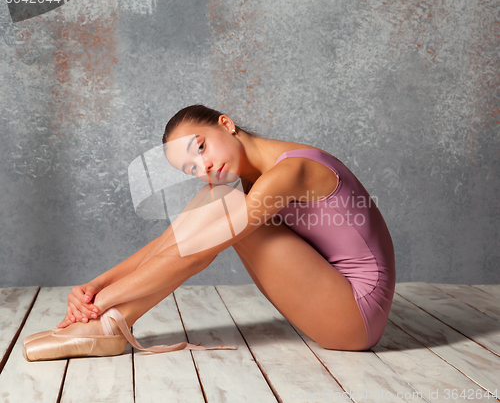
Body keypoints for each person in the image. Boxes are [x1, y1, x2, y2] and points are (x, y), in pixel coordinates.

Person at [23, 104, 396, 361]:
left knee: (224, 212)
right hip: (333, 297)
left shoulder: (292, 170)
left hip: (355, 314)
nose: (203, 166)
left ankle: (107, 326)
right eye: (191, 168)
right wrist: (95, 286)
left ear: (226, 123)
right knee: (217, 200)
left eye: (200, 148)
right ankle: (109, 326)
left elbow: (199, 250)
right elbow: (171, 241)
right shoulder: (248, 182)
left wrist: (97, 306)